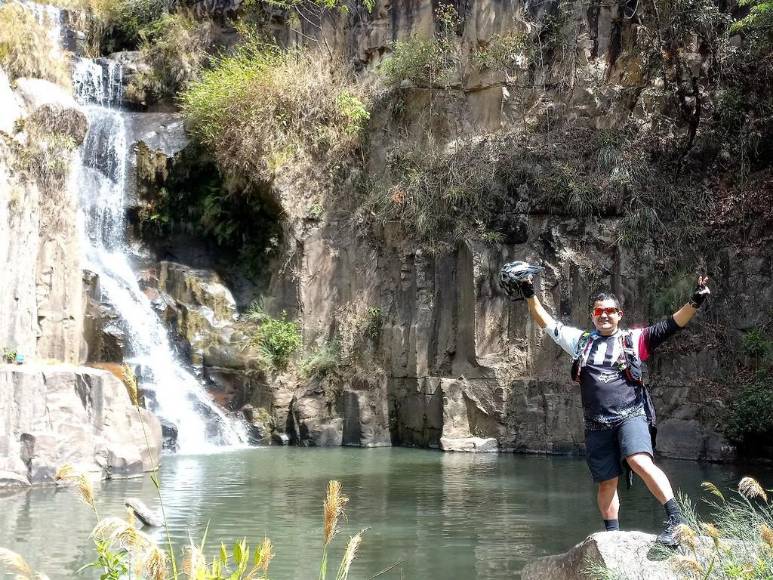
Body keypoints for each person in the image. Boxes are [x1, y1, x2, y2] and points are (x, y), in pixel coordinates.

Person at [513, 271, 710, 546]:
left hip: (631, 414)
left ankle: (677, 520)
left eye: (610, 311)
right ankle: (612, 539)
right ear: (593, 315)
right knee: (607, 482)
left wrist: (695, 301)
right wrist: (530, 294)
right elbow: (547, 323)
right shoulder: (581, 342)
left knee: (639, 461)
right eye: (599, 311)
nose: (604, 315)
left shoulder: (634, 340)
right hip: (597, 423)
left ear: (620, 314)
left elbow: (671, 325)